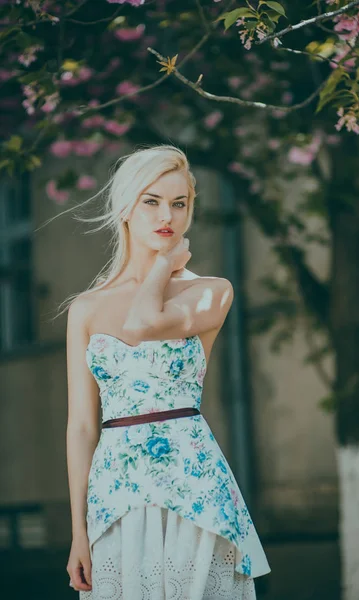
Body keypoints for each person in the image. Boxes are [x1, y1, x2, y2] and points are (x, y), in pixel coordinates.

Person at [62, 145, 271, 599]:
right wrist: (78, 531)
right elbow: (80, 426)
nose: (168, 216)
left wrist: (162, 267)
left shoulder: (211, 292)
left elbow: (141, 324)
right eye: (152, 201)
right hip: (114, 496)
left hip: (194, 491)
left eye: (180, 204)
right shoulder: (86, 309)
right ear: (126, 208)